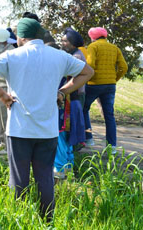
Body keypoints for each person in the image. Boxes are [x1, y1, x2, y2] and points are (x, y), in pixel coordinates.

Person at [0, 18, 94, 220]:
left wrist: (3, 95)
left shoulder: (12, 56)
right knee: (45, 177)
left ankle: (20, 220)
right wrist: (63, 91)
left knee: (19, 179)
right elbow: (87, 72)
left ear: (21, 36)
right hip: (47, 130)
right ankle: (47, 220)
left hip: (19, 129)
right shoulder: (58, 56)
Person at [83, 27, 128, 153]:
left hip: (94, 84)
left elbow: (90, 65)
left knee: (84, 109)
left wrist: (85, 78)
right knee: (109, 115)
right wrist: (114, 78)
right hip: (110, 85)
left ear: (93, 37)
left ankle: (89, 137)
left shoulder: (93, 47)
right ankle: (112, 146)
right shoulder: (115, 48)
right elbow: (123, 67)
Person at [53, 27, 88, 178]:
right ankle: (68, 168)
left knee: (62, 134)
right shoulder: (74, 55)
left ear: (73, 43)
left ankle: (60, 170)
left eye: (65, 41)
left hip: (69, 103)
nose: (62, 43)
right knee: (67, 137)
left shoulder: (75, 58)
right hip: (71, 102)